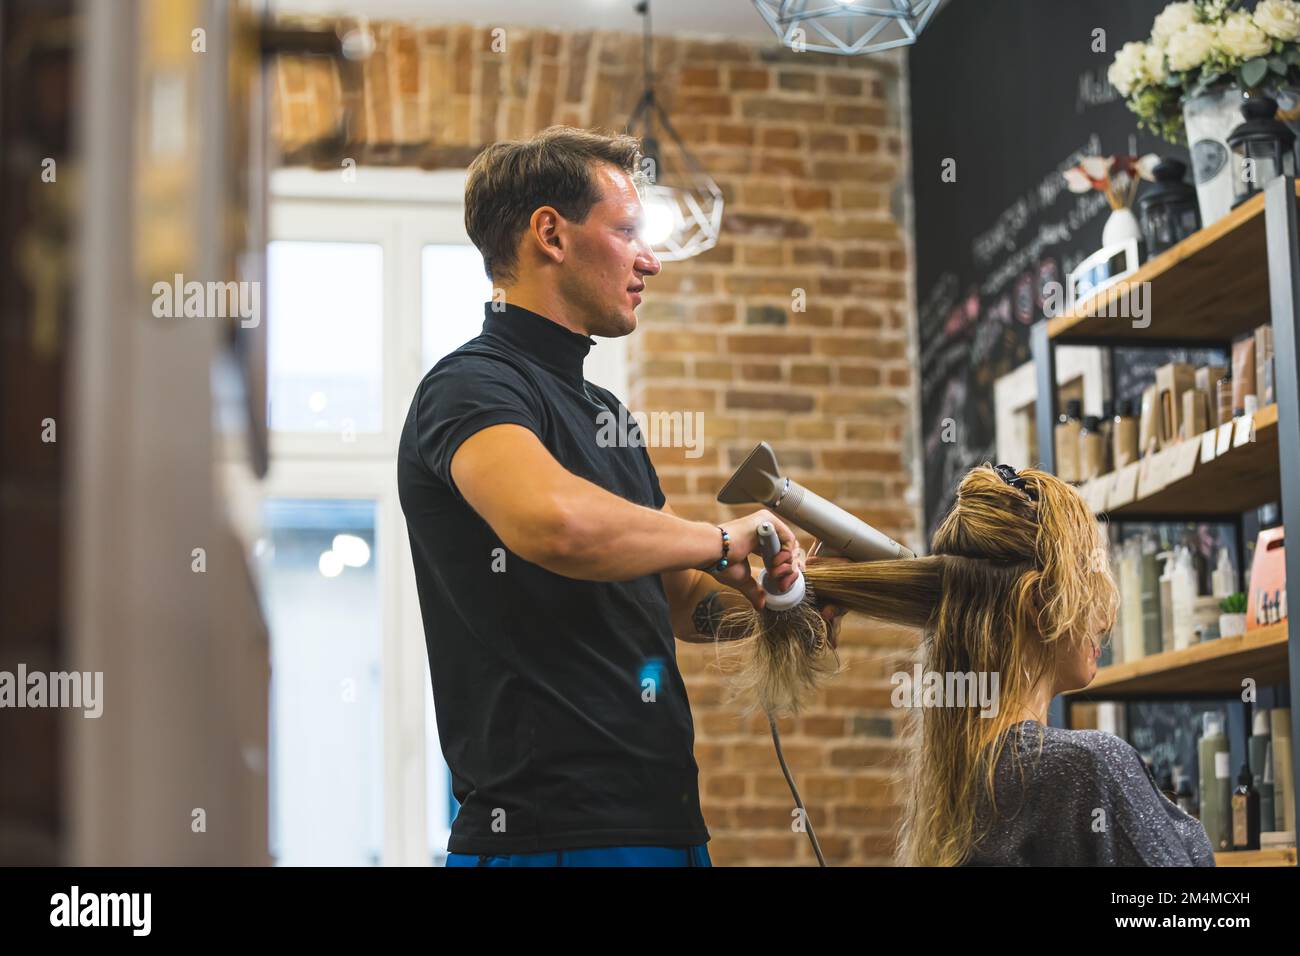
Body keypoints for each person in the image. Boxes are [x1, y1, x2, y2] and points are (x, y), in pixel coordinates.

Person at [396, 126, 841, 868]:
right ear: (551, 234)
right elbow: (555, 524)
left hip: (665, 824)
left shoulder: (606, 414)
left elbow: (676, 600)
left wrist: (784, 602)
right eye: (628, 231)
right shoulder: (470, 387)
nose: (651, 260)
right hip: (549, 836)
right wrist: (725, 537)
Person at [782, 463, 1214, 866]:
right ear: (1036, 603)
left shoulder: (961, 781)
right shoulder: (1087, 767)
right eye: (1088, 580)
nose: (1104, 618)